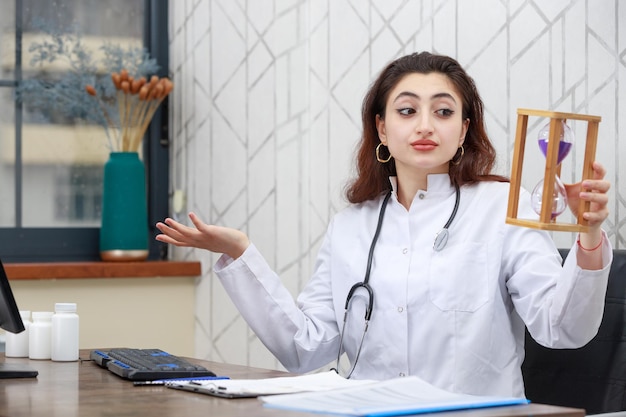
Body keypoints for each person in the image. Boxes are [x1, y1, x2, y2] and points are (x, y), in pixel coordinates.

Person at [155, 52, 612, 398]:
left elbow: (563, 328)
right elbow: (304, 350)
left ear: (465, 128)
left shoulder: (502, 209)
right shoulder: (350, 226)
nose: (425, 125)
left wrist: (588, 238)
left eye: (444, 111)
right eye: (407, 110)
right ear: (381, 127)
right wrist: (240, 254)